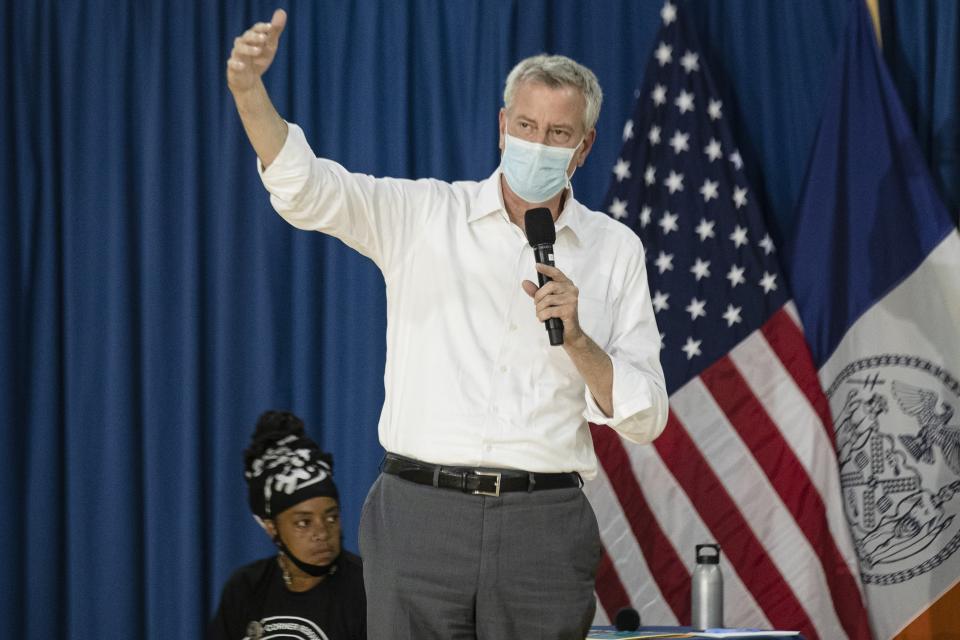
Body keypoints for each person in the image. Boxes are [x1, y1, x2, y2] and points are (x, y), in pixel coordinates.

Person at [226, 10, 668, 639]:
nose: (538, 144)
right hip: (418, 513)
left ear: (584, 145)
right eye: (525, 126)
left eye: (557, 132)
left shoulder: (615, 249)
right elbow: (309, 189)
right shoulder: (425, 214)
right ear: (501, 128)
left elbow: (646, 415)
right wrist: (249, 92)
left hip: (543, 522)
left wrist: (577, 340)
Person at [209, 411, 366, 640]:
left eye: (331, 517)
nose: (322, 533)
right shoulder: (245, 588)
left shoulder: (365, 589)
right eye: (304, 523)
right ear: (271, 527)